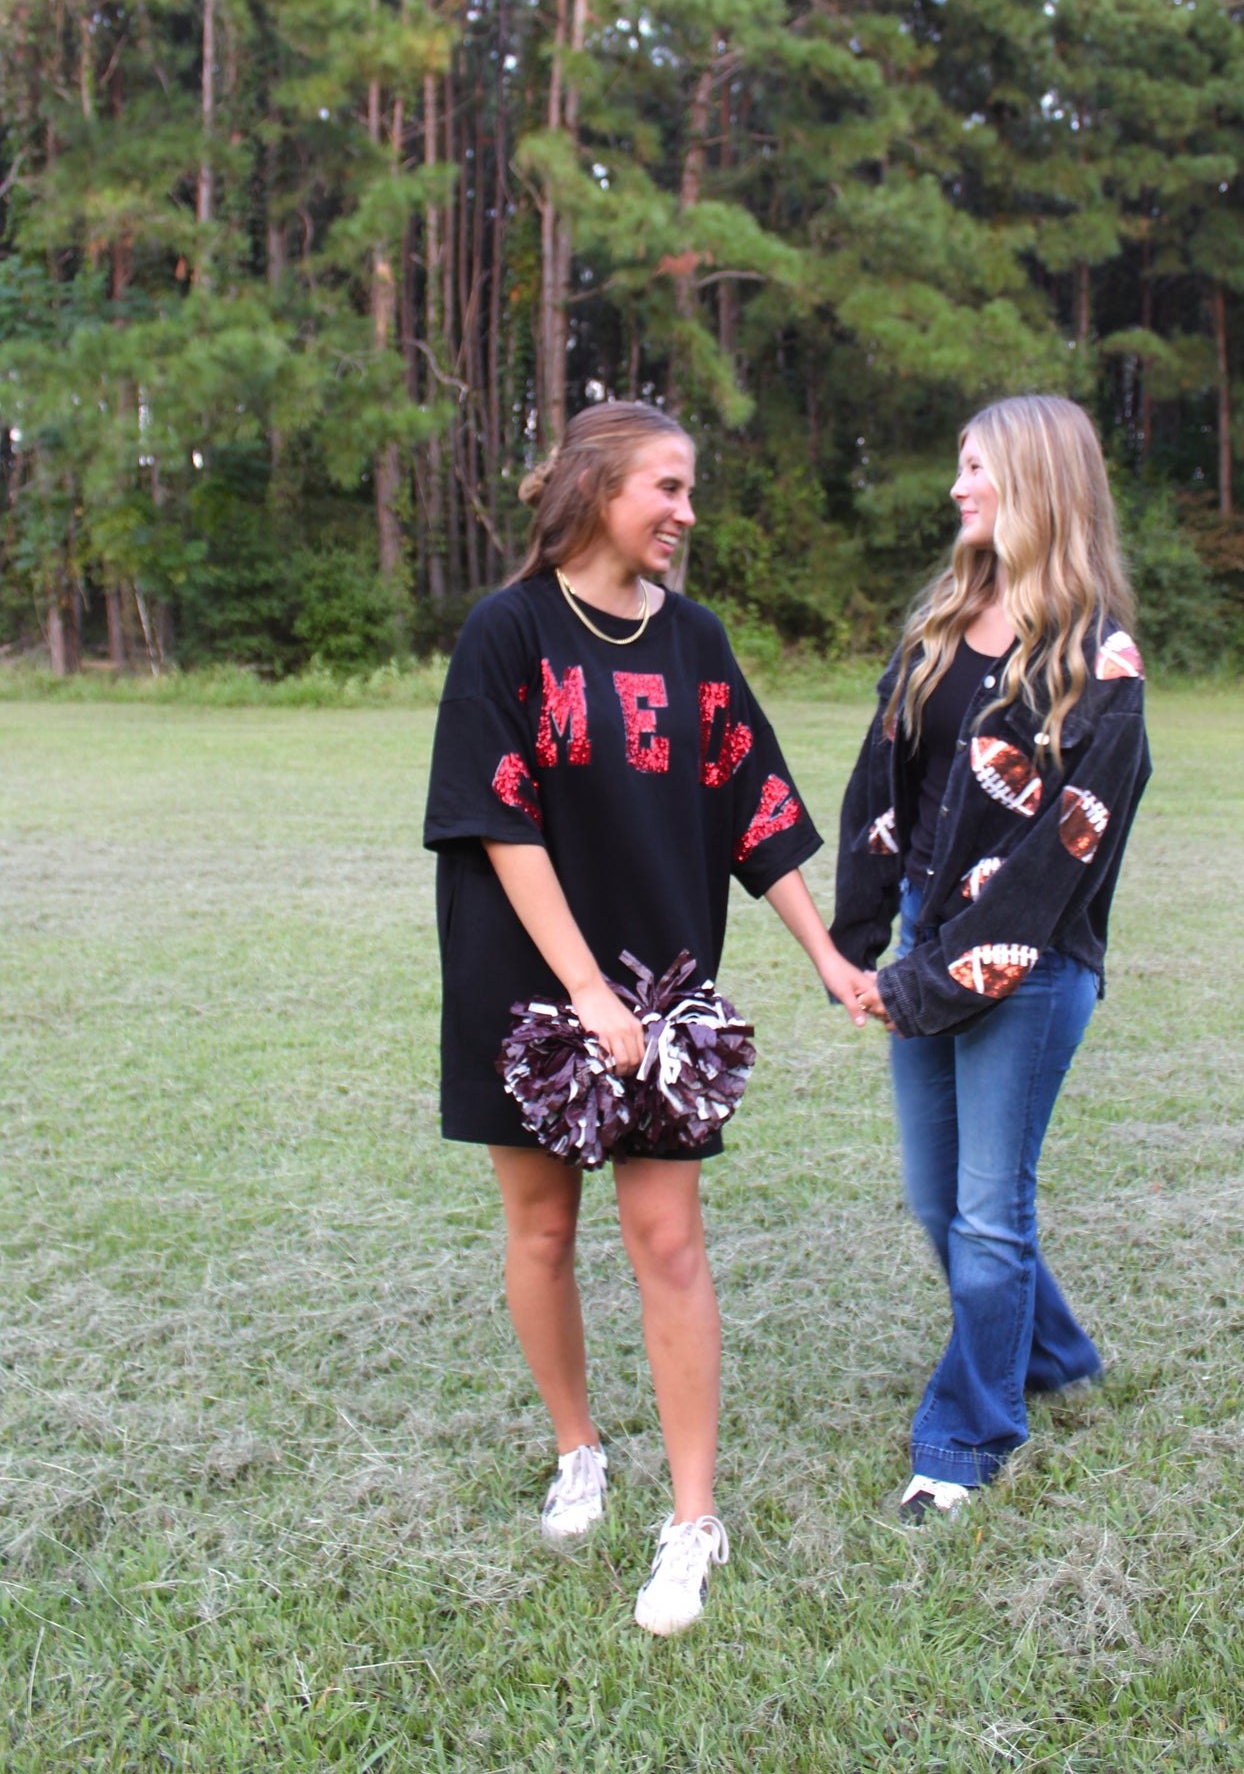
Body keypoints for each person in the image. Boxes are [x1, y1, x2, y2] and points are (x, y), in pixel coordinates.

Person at [424, 401, 871, 1634]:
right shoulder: (506, 633)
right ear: (595, 487)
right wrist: (581, 990)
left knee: (666, 1235)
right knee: (542, 1228)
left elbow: (754, 804)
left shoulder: (695, 641)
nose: (684, 512)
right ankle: (577, 1446)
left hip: (662, 977)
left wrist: (827, 956)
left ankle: (690, 1519)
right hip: (529, 976)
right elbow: (496, 819)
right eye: (665, 487)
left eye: (688, 491)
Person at [833, 393, 1151, 1519]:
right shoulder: (937, 626)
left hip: (1030, 959)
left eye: (976, 468)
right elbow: (881, 787)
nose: (956, 487)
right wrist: (860, 935)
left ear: (1034, 481)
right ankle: (1054, 1353)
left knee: (986, 1209)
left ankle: (966, 1439)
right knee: (940, 1205)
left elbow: (1048, 866)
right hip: (928, 937)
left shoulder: (1098, 665)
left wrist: (920, 978)